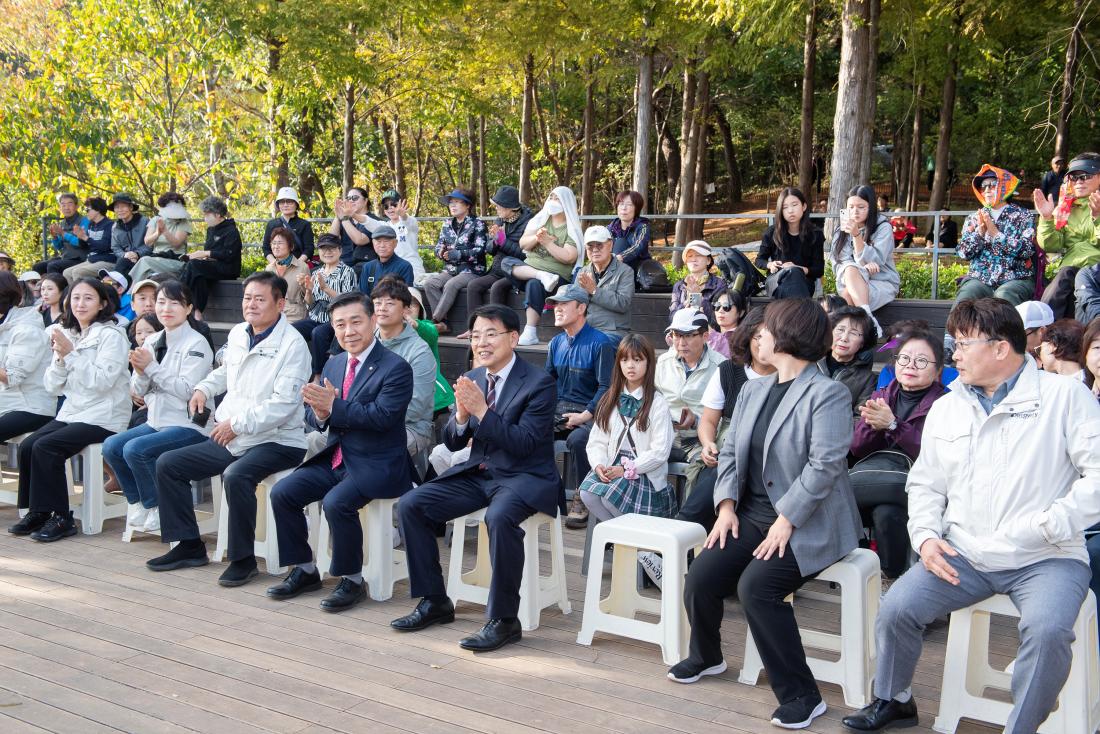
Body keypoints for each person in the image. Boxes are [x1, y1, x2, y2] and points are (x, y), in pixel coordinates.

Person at [843, 297, 1100, 734]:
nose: (954, 354)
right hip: (964, 552)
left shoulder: (1063, 397)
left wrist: (1048, 524)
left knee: (1048, 631)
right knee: (897, 609)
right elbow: (925, 483)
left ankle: (1023, 726)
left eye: (963, 343)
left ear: (1001, 348)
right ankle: (894, 699)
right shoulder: (949, 405)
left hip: (1047, 555)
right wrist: (925, 537)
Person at [670, 298, 860, 732]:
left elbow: (825, 465)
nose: (759, 334)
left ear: (789, 336)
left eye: (767, 328)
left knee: (757, 587)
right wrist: (725, 506)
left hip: (807, 521)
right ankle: (707, 655)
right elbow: (732, 451)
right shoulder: (754, 388)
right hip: (751, 514)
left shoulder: (827, 393)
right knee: (702, 575)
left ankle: (802, 696)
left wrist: (787, 519)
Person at [392, 304, 561, 653]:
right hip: (481, 471)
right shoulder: (478, 377)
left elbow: (525, 444)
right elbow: (454, 441)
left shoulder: (539, 382)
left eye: (491, 334)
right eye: (476, 335)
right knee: (412, 504)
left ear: (513, 338)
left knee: (499, 518)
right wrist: (463, 415)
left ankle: (504, 620)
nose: (481, 343)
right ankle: (435, 600)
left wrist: (482, 411)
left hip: (525, 475)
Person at [145, 271, 310, 586]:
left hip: (278, 440)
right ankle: (189, 545)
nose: (251, 304)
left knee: (236, 476)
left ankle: (243, 560)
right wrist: (204, 389)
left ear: (280, 303)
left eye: (260, 299)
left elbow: (284, 405)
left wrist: (236, 424)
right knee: (169, 464)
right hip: (235, 435)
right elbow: (224, 373)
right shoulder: (238, 333)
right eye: (247, 297)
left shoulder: (293, 345)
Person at [266, 291, 413, 612]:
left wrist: (333, 406)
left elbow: (383, 417)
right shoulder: (332, 364)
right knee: (283, 493)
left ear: (373, 321)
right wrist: (319, 414)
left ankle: (352, 579)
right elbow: (318, 415)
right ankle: (304, 569)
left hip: (378, 462)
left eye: (356, 322)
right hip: (337, 458)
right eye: (340, 325)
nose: (349, 331)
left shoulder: (396, 367)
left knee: (336, 503)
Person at [8, 278, 130, 541]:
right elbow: (52, 386)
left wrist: (71, 354)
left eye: (88, 298)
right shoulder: (69, 334)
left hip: (104, 415)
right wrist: (62, 358)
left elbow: (102, 383)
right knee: (30, 445)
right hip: (73, 412)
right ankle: (38, 512)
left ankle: (62, 518)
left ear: (102, 304)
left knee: (47, 446)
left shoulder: (112, 336)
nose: (80, 303)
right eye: (76, 298)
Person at [101, 281, 214, 534]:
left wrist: (151, 367)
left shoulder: (197, 344)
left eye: (175, 303)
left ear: (188, 308)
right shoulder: (152, 339)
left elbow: (187, 390)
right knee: (111, 446)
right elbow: (138, 390)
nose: (166, 308)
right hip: (157, 420)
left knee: (136, 449)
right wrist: (141, 372)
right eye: (162, 302)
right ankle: (138, 501)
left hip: (189, 425)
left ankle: (156, 506)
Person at [850, 328, 946, 581]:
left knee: (883, 508)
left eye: (921, 361)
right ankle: (894, 577)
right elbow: (858, 447)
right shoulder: (882, 396)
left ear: (938, 371)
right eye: (904, 358)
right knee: (887, 509)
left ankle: (889, 575)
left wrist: (894, 425)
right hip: (875, 476)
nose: (910, 365)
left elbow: (934, 453)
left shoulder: (947, 404)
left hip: (920, 480)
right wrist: (875, 425)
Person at [577, 334, 675, 583]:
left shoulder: (657, 402)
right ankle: (641, 551)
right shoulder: (610, 398)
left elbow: (660, 451)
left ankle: (629, 549)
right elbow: (597, 440)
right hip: (613, 466)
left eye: (638, 360)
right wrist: (599, 464)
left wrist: (628, 468)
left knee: (610, 498)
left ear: (648, 364)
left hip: (642, 474)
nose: (630, 365)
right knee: (588, 492)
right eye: (625, 360)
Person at [677, 307, 775, 530]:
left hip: (763, 455)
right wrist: (708, 444)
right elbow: (709, 421)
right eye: (756, 336)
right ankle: (684, 541)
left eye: (768, 336)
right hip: (726, 447)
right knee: (713, 473)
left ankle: (679, 532)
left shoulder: (785, 375)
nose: (761, 343)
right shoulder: (728, 371)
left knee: (720, 475)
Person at [542, 284, 615, 530]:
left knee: (578, 440)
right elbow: (547, 382)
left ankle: (582, 497)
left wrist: (585, 414)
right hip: (559, 410)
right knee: (531, 431)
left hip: (592, 414)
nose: (557, 309)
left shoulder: (601, 343)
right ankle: (545, 492)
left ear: (581, 308)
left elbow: (607, 387)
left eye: (564, 304)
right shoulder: (555, 343)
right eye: (556, 304)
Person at [954, 165, 1037, 306]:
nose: (986, 190)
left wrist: (997, 235)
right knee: (967, 295)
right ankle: (952, 330)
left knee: (1004, 297)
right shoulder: (974, 218)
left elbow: (1027, 250)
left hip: (1015, 279)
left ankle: (1009, 329)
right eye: (983, 186)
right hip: (980, 279)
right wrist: (979, 234)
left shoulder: (1024, 216)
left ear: (1005, 187)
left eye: (992, 185)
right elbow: (963, 253)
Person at [371, 277, 436, 458]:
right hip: (366, 420)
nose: (382, 307)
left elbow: (415, 407)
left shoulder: (419, 351)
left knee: (371, 449)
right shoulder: (366, 342)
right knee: (315, 440)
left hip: (409, 427)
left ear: (406, 310)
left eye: (390, 303)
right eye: (377, 303)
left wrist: (367, 418)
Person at [459, 185, 534, 336]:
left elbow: (525, 254)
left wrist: (503, 242)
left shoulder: (528, 223)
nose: (496, 209)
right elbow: (489, 249)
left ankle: (497, 331)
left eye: (498, 206)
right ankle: (473, 329)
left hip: (516, 270)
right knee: (473, 285)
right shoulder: (500, 220)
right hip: (498, 268)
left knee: (497, 288)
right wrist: (495, 241)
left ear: (510, 208)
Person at [513, 187, 584, 346]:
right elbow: (523, 244)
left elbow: (569, 256)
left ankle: (530, 330)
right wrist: (537, 238)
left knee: (534, 284)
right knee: (504, 265)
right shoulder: (540, 221)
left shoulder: (571, 228)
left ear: (566, 202)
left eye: (557, 198)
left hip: (556, 278)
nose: (552, 201)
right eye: (551, 197)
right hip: (528, 269)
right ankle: (539, 274)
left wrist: (548, 243)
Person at [656, 309, 727, 462]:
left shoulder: (721, 367)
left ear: (705, 336)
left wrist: (696, 421)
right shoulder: (663, 362)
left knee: (703, 472)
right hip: (663, 438)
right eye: (676, 335)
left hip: (701, 442)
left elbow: (726, 419)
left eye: (688, 335)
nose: (681, 343)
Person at [1035, 153, 1100, 318]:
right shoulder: (1066, 208)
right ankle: (1044, 332)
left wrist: (1097, 218)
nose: (1078, 182)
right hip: (1071, 270)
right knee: (1066, 279)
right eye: (1073, 177)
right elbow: (1051, 245)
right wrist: (1047, 218)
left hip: (1093, 268)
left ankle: (1042, 328)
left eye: (1085, 176)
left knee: (1071, 277)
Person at [830, 184, 899, 335]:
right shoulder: (840, 230)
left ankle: (853, 337)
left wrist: (856, 236)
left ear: (871, 207)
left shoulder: (882, 227)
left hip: (882, 281)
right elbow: (839, 263)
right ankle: (868, 322)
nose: (855, 211)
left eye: (861, 207)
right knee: (849, 270)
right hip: (852, 281)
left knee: (848, 294)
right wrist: (862, 270)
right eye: (851, 206)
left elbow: (878, 260)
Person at [0, 272, 55, 454]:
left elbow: (12, 377)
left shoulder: (26, 329)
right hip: (8, 403)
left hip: (31, 406)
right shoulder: (5, 324)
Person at [423, 188, 488, 336]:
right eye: (451, 202)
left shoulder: (477, 224)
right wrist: (440, 252)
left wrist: (458, 254)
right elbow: (438, 245)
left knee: (450, 285)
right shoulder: (447, 224)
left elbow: (481, 250)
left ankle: (435, 320)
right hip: (451, 269)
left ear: (468, 205)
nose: (453, 205)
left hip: (472, 270)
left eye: (457, 202)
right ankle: (445, 323)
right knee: (429, 283)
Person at [179, 196, 242, 319]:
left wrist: (204, 254)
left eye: (207, 215)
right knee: (198, 275)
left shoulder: (231, 230)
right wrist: (199, 257)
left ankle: (177, 295)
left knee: (194, 266)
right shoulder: (210, 230)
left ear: (218, 214)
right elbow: (210, 251)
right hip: (213, 265)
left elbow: (229, 254)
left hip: (228, 268)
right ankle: (198, 314)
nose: (205, 218)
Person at [756, 187, 825, 299]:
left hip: (803, 281)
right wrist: (770, 264)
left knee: (794, 274)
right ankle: (801, 313)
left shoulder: (815, 234)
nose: (790, 211)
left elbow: (818, 269)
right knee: (792, 282)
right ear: (780, 211)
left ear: (804, 206)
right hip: (776, 281)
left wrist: (797, 268)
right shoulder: (772, 232)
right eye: (785, 207)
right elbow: (759, 260)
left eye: (794, 205)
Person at [574, 225, 634, 340]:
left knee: (597, 345)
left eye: (599, 245)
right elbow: (576, 302)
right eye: (590, 247)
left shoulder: (625, 271)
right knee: (558, 343)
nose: (595, 250)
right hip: (585, 328)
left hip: (613, 331)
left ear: (610, 245)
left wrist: (594, 291)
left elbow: (623, 303)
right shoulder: (583, 272)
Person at [819, 306, 878, 415]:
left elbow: (860, 417)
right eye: (840, 330)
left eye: (854, 333)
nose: (844, 338)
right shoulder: (811, 363)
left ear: (862, 343)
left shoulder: (867, 379)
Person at [129, 193, 192, 284]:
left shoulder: (183, 222)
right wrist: (157, 233)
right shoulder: (156, 220)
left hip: (175, 260)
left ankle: (130, 292)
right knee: (145, 269)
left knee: (144, 261)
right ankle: (137, 293)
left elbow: (177, 243)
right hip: (156, 258)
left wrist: (165, 231)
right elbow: (147, 242)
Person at [361, 190, 423, 281]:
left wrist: (402, 215)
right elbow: (368, 221)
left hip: (413, 269)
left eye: (394, 204)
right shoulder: (384, 226)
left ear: (401, 204)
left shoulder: (411, 221)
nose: (390, 208)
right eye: (386, 206)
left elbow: (406, 220)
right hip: (391, 269)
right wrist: (352, 214)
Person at [670, 240, 727, 323]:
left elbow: (716, 318)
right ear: (686, 262)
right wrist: (687, 301)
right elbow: (672, 318)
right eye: (689, 256)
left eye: (698, 255)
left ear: (708, 260)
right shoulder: (679, 286)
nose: (693, 259)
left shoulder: (719, 284)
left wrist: (696, 298)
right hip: (682, 333)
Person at [34, 193, 88, 275]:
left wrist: (63, 233)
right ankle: (41, 287)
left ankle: (55, 286)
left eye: (70, 204)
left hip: (81, 259)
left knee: (53, 266)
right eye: (63, 205)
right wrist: (55, 237)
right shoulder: (62, 223)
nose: (66, 208)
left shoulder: (84, 221)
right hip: (66, 258)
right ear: (60, 208)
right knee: (38, 267)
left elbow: (82, 243)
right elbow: (59, 247)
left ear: (77, 206)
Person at [61, 197, 113, 283]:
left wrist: (86, 238)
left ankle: (82, 294)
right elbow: (84, 245)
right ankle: (73, 296)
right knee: (66, 273)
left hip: (107, 260)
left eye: (88, 210)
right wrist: (80, 236)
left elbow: (105, 246)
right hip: (93, 259)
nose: (86, 212)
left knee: (78, 272)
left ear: (97, 210)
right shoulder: (91, 225)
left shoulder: (109, 225)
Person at [264, 227, 310, 322]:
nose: (276, 246)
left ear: (291, 246)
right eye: (274, 243)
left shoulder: (302, 267)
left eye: (280, 243)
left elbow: (310, 299)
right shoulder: (269, 268)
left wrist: (304, 286)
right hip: (271, 315)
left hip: (294, 316)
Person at [262, 187, 315, 263]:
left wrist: (297, 264)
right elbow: (266, 248)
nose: (285, 205)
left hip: (298, 266)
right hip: (276, 266)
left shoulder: (304, 225)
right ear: (278, 205)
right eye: (282, 202)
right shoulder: (272, 224)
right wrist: (275, 264)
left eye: (289, 202)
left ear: (296, 204)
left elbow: (309, 248)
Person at [328, 186, 374, 271]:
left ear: (365, 201)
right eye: (348, 198)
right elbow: (331, 239)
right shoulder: (346, 219)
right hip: (342, 262)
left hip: (363, 264)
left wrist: (344, 218)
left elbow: (359, 240)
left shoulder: (372, 220)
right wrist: (338, 215)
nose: (351, 200)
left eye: (355, 198)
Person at [359, 224, 414, 295]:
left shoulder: (405, 266)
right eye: (378, 241)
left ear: (395, 243)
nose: (382, 246)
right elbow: (363, 296)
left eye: (386, 241)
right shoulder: (368, 267)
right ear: (373, 243)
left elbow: (405, 297)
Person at [107, 192, 150, 276]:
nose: (120, 210)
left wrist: (137, 254)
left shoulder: (144, 221)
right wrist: (125, 255)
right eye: (117, 207)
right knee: (122, 263)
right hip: (125, 259)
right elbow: (115, 248)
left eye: (123, 206)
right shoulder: (115, 227)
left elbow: (150, 244)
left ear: (130, 207)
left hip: (144, 258)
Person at [608, 190, 652, 268]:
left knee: (621, 242)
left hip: (638, 266)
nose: (624, 208)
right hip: (614, 266)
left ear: (636, 209)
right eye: (621, 204)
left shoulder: (643, 227)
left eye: (629, 204)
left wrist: (620, 257)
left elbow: (638, 247)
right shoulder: (611, 227)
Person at [706, 291, 746, 359]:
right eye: (717, 306)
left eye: (726, 306)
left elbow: (728, 355)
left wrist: (710, 333)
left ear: (741, 312)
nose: (720, 310)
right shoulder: (710, 334)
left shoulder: (744, 337)